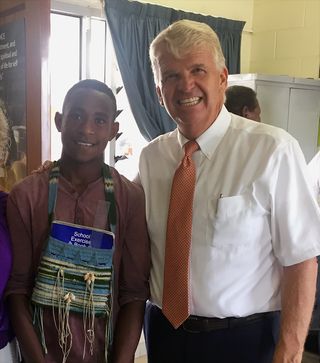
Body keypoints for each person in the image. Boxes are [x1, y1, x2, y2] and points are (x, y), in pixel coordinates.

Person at [138, 19, 320, 363]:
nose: (185, 85)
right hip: (164, 334)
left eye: (197, 70)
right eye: (171, 76)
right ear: (159, 91)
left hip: (243, 342)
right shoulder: (152, 159)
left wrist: (291, 352)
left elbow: (301, 260)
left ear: (222, 79)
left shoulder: (272, 150)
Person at [5, 79, 150, 363]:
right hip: (42, 353)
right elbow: (18, 288)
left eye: (99, 120)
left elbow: (133, 292)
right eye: (77, 116)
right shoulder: (27, 195)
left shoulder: (129, 197)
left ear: (113, 130)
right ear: (60, 121)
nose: (86, 129)